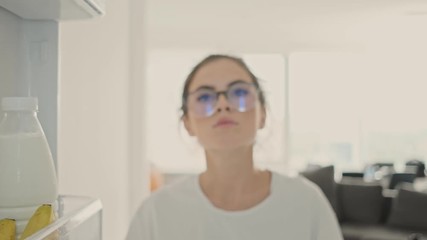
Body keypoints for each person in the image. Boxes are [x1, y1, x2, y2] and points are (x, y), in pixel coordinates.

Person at [126, 54, 343, 240]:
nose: (223, 105)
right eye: (204, 97)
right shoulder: (156, 212)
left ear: (263, 115)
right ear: (188, 123)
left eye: (239, 93)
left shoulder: (306, 203)